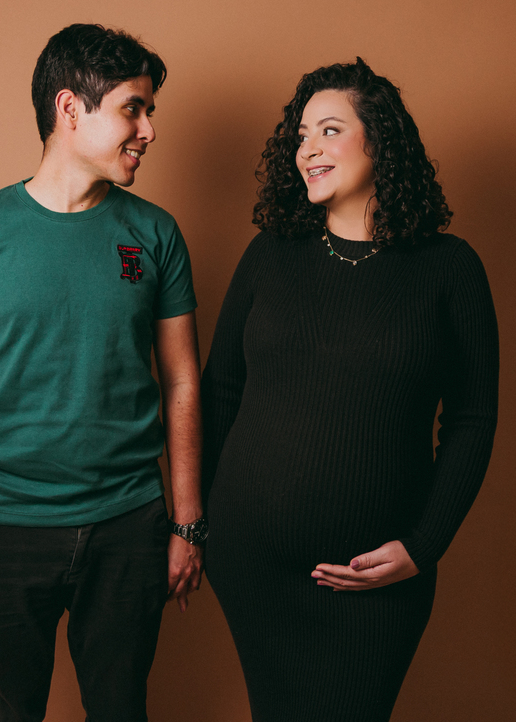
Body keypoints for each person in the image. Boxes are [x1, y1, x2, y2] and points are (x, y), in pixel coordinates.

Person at [0, 23, 207, 722]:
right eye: (133, 108)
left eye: (150, 111)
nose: (149, 130)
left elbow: (183, 382)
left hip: (128, 522)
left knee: (121, 710)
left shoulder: (156, 234)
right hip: (2, 526)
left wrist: (187, 523)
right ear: (71, 108)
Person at [201, 58, 499, 721]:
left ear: (381, 142)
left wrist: (423, 547)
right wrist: (208, 523)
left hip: (376, 580)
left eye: (330, 130)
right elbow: (219, 390)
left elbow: (473, 419)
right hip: (254, 566)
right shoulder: (270, 254)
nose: (308, 148)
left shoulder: (450, 269)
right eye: (301, 135)